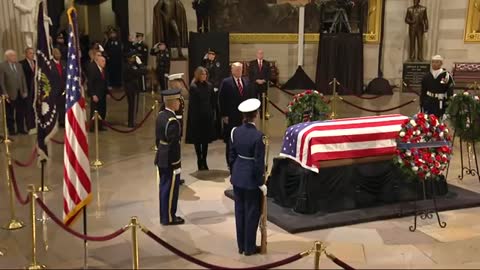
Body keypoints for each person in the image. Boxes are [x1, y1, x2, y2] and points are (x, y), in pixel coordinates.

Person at [229, 98, 266, 256]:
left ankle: (241, 246)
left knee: (240, 212)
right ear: (255, 115)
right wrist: (260, 182)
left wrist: (234, 172)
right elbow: (258, 163)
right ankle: (249, 247)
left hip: (238, 176)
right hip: (251, 179)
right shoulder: (258, 136)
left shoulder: (234, 131)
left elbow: (231, 156)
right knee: (251, 213)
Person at [155, 89, 185, 226]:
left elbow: (158, 139)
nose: (180, 103)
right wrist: (176, 163)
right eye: (178, 100)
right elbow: (174, 144)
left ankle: (164, 216)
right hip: (170, 159)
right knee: (170, 189)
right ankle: (169, 217)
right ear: (173, 102)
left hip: (161, 155)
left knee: (163, 187)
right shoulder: (173, 121)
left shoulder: (161, 115)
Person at [219, 62, 254, 167]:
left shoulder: (246, 81)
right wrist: (224, 115)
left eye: (240, 69)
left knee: (243, 138)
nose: (239, 71)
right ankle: (230, 162)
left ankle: (241, 159)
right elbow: (221, 99)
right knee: (231, 139)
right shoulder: (226, 82)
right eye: (237, 69)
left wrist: (251, 115)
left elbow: (249, 97)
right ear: (232, 70)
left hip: (244, 117)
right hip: (231, 116)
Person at [186, 67, 215, 171]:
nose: (204, 76)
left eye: (205, 74)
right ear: (198, 75)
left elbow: (212, 101)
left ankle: (204, 160)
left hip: (207, 116)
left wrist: (212, 113)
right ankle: (199, 159)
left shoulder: (209, 86)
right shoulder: (193, 87)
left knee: (205, 140)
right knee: (198, 140)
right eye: (202, 74)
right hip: (197, 117)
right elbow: (193, 105)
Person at [0, 50, 28, 135]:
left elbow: (23, 78)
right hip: (9, 93)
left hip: (20, 93)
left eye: (15, 55)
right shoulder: (2, 66)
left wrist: (25, 90)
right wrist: (4, 93)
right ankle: (11, 130)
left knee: (21, 112)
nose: (15, 57)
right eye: (13, 56)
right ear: (8, 57)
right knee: (10, 113)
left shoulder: (19, 65)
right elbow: (1, 81)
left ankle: (21, 128)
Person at [201, 49, 222, 139]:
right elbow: (202, 71)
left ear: (214, 56)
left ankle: (217, 132)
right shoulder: (206, 62)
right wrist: (204, 59)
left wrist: (215, 86)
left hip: (213, 88)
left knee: (215, 109)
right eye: (209, 55)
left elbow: (217, 75)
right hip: (207, 87)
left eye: (212, 55)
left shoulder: (216, 63)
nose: (211, 56)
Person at [123, 52, 147, 127]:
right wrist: (140, 64)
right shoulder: (129, 66)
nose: (134, 59)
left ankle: (132, 120)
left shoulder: (132, 65)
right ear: (129, 58)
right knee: (132, 105)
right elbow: (142, 72)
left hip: (132, 87)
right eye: (133, 57)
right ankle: (131, 122)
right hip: (131, 87)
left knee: (133, 105)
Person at [87, 56, 108, 131]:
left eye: (105, 61)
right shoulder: (93, 70)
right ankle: (92, 127)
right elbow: (90, 83)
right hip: (96, 94)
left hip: (102, 94)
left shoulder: (103, 70)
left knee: (102, 110)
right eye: (102, 61)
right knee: (95, 111)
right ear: (98, 61)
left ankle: (100, 126)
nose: (104, 63)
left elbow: (104, 82)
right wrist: (93, 94)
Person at [248, 49, 271, 114]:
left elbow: (269, 74)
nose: (260, 55)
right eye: (259, 53)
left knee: (263, 101)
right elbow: (250, 74)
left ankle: (262, 114)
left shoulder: (267, 63)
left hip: (263, 85)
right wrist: (256, 80)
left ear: (263, 55)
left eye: (261, 53)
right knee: (254, 100)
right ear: (256, 54)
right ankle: (253, 115)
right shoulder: (252, 63)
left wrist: (264, 80)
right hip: (254, 85)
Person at [19, 47, 36, 133]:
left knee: (35, 108)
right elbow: (21, 78)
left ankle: (35, 125)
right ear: (26, 54)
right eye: (30, 53)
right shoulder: (21, 64)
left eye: (33, 53)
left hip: (35, 90)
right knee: (28, 108)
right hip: (27, 89)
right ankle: (30, 126)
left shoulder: (36, 63)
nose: (32, 55)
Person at [52, 48, 67, 127]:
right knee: (55, 106)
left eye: (59, 53)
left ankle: (62, 121)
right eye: (56, 53)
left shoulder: (64, 63)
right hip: (54, 89)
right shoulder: (50, 64)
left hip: (63, 88)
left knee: (63, 105)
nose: (58, 55)